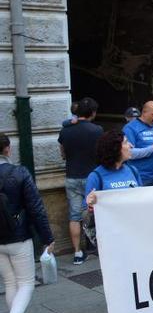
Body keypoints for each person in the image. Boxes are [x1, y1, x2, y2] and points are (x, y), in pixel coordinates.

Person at [83, 131, 151, 313]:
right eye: (125, 142)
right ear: (115, 148)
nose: (129, 145)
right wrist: (91, 204)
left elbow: (143, 201)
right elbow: (88, 214)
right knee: (118, 296)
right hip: (113, 249)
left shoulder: (132, 171)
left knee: (135, 293)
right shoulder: (97, 176)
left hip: (135, 243)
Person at [0, 133, 55, 313]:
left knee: (11, 283)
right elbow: (36, 208)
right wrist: (47, 237)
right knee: (25, 283)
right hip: (19, 237)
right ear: (7, 149)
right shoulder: (19, 173)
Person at [57, 97, 102, 265]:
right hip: (92, 177)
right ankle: (97, 247)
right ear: (93, 113)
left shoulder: (65, 130)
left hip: (72, 176)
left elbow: (62, 154)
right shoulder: (97, 130)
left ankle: (77, 252)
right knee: (95, 213)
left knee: (75, 215)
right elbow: (101, 153)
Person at [122, 101, 153, 186]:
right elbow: (129, 153)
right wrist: (152, 148)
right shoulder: (130, 128)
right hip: (141, 177)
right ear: (144, 113)